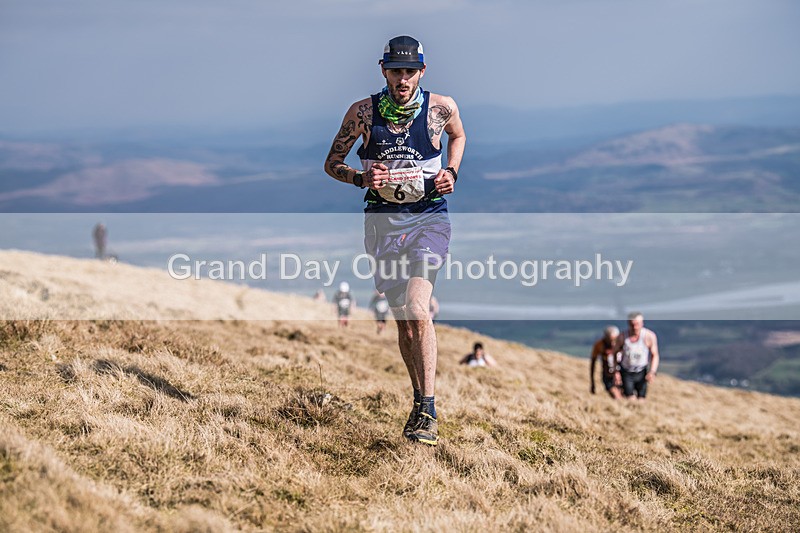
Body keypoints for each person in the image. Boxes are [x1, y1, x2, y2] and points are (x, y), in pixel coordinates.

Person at [323, 35, 466, 446]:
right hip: (382, 226)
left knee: (419, 309)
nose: (403, 79)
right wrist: (361, 178)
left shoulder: (441, 108)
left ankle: (429, 409)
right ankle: (419, 400)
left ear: (422, 71)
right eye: (396, 71)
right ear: (383, 70)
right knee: (405, 319)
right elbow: (332, 162)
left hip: (429, 220)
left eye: (410, 71)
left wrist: (451, 172)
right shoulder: (363, 113)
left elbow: (458, 136)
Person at [615, 311, 660, 401]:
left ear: (642, 323)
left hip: (642, 371)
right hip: (626, 371)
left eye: (637, 324)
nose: (635, 327)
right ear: (628, 324)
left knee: (641, 400)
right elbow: (614, 353)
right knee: (630, 399)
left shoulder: (649, 336)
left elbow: (655, 354)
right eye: (632, 325)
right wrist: (616, 372)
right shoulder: (622, 337)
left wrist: (652, 371)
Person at [590, 326, 623, 399]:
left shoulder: (623, 343)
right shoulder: (599, 345)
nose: (612, 343)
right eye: (610, 340)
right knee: (616, 396)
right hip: (607, 375)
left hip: (622, 375)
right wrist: (592, 382)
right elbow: (593, 362)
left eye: (614, 340)